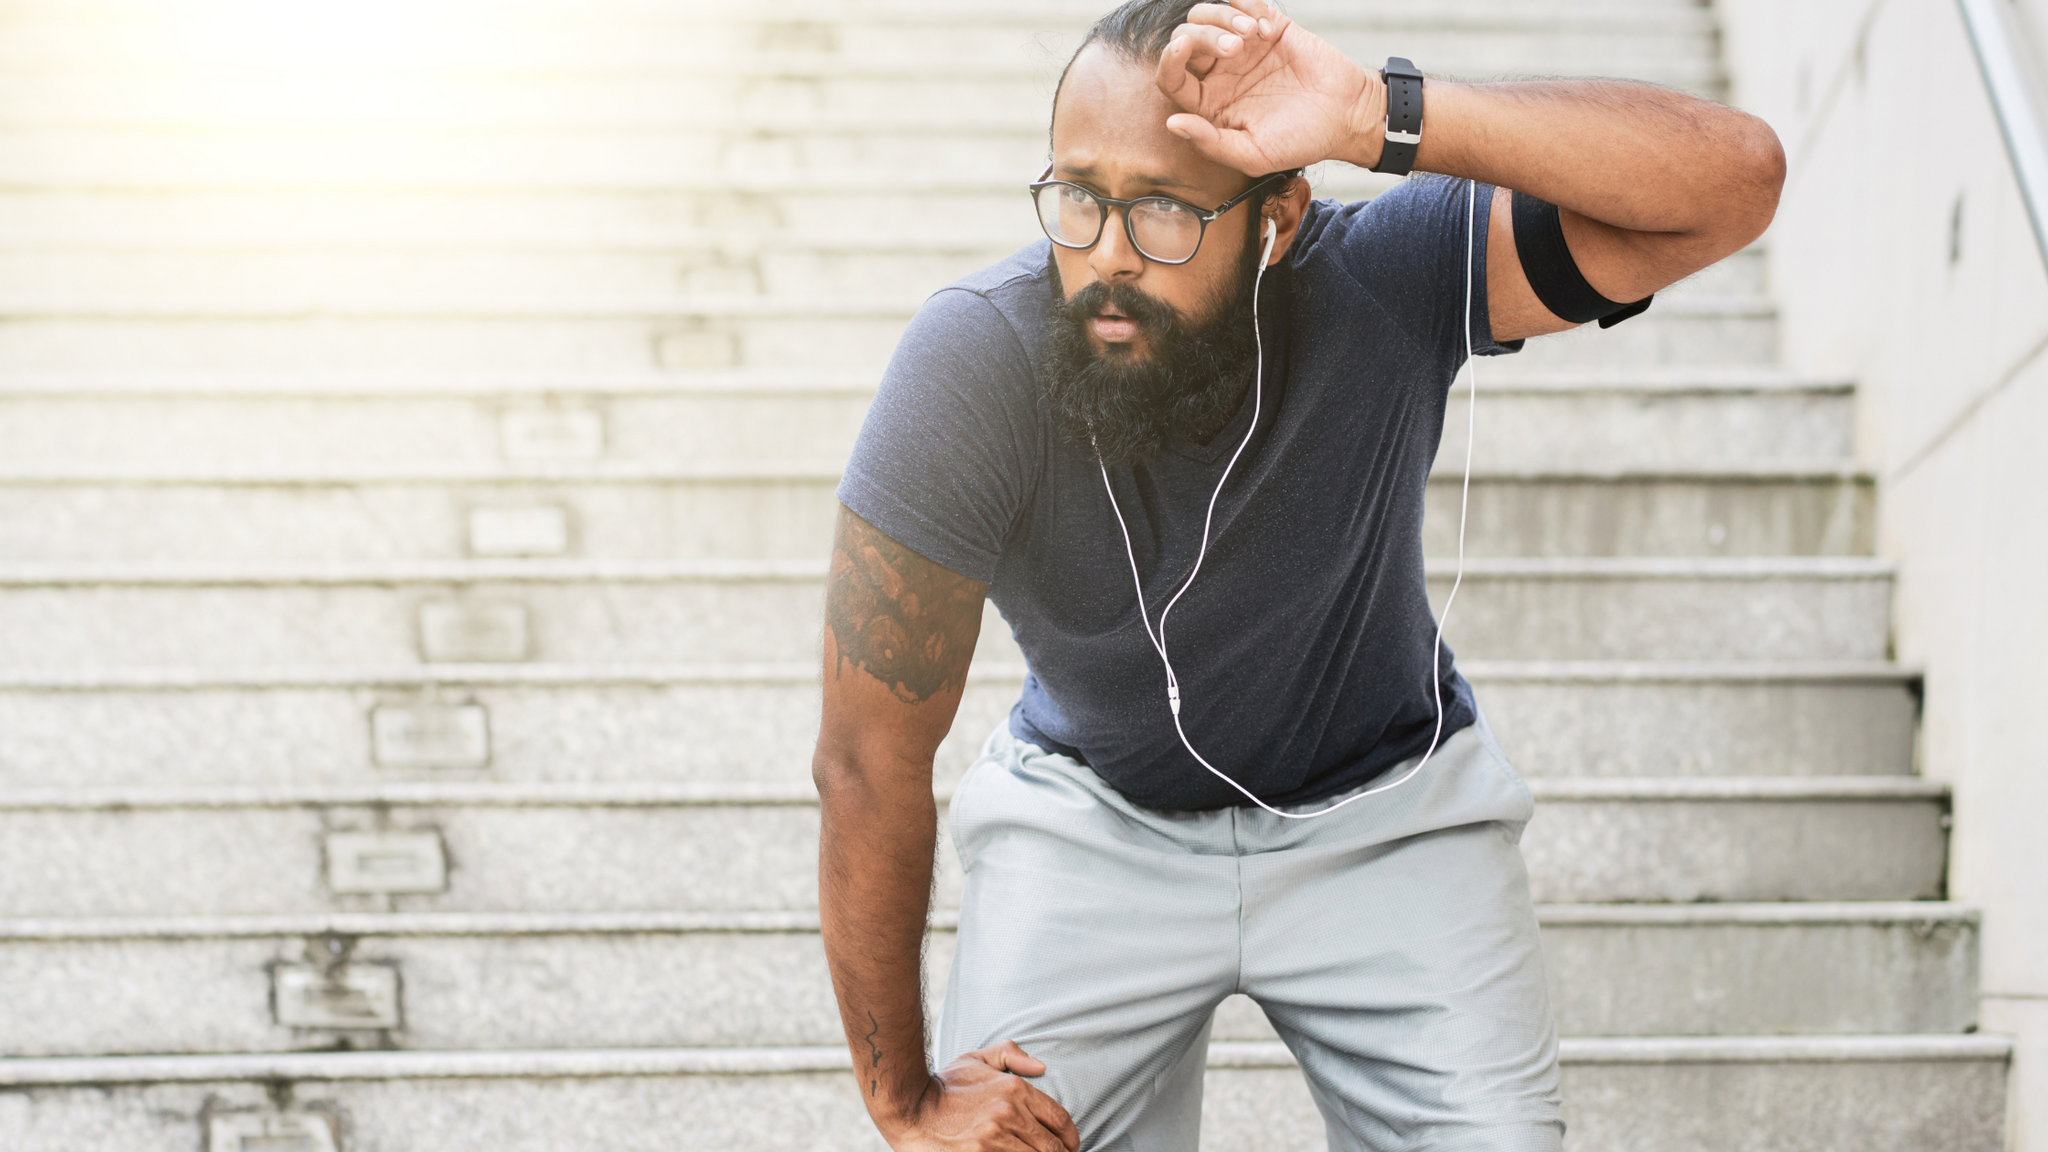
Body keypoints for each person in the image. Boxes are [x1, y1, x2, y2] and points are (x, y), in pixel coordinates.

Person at [810, 1, 1784, 1148]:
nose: (1110, 256)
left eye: (1166, 207)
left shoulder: (1382, 278)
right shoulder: (973, 360)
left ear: (1275, 215)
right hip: (1092, 821)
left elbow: (1731, 183)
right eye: (1079, 196)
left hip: (1387, 815)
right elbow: (868, 758)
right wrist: (901, 1098)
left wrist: (1382, 116)